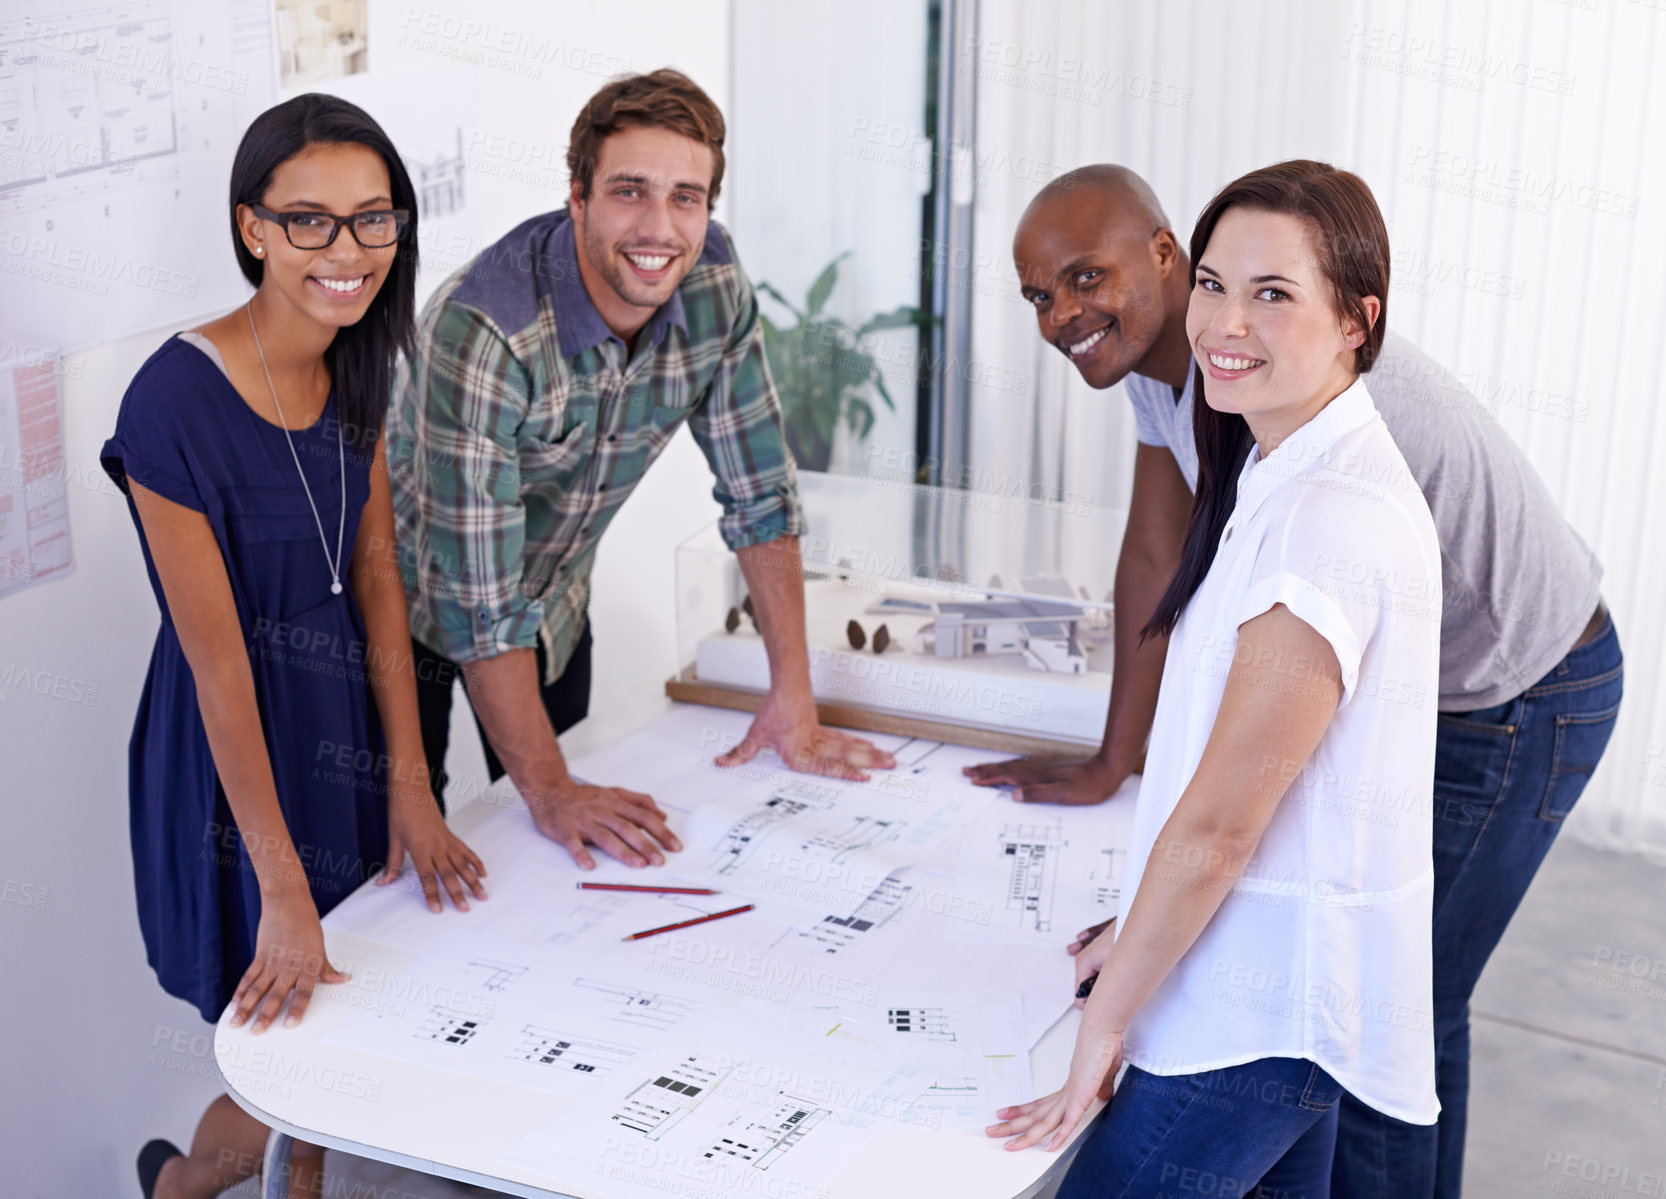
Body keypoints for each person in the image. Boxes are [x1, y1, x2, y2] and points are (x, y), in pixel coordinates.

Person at [967, 163, 1623, 1197]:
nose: (1064, 313)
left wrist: (1118, 1000)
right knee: (1330, 1011)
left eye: (1085, 276)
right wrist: (1114, 765)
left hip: (1519, 679)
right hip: (1382, 676)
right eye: (1039, 295)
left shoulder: (1330, 482)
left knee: (1384, 1006)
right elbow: (1158, 552)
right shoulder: (1210, 376)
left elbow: (1231, 823)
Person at [986, 161, 1442, 1195]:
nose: (1224, 323)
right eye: (1215, 284)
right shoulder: (1282, 463)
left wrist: (1101, 1029)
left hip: (1252, 1017)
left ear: (1355, 321)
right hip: (1276, 992)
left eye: (1272, 293)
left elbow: (1222, 824)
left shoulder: (1323, 524)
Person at [103, 94, 484, 1199]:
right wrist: (278, 881)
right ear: (252, 228)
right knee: (288, 1050)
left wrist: (410, 786)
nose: (348, 250)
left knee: (339, 1048)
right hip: (233, 770)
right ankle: (190, 1185)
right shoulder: (171, 399)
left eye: (374, 219)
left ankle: (183, 1184)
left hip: (344, 741)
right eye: (309, 220)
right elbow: (216, 663)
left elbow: (375, 574)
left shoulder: (359, 359)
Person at [390, 67, 893, 870]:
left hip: (551, 600)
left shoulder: (714, 286)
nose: (660, 227)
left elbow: (761, 493)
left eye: (686, 197)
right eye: (630, 191)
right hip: (398, 605)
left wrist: (790, 700)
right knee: (409, 861)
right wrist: (550, 787)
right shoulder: (487, 330)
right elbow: (475, 603)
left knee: (552, 863)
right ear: (578, 197)